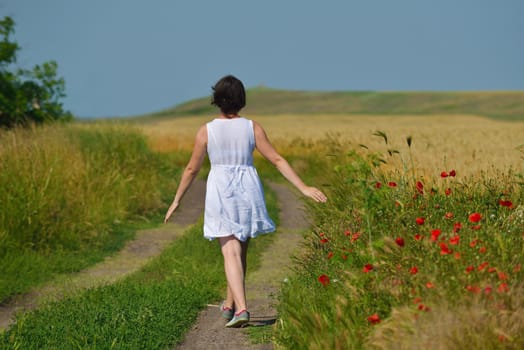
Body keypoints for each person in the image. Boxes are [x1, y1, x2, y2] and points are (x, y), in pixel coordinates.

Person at [164, 75, 327, 328]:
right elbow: (277, 160)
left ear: (216, 100)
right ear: (241, 100)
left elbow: (191, 170)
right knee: (240, 249)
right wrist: (303, 187)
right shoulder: (253, 127)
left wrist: (177, 200)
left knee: (229, 250)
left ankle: (241, 309)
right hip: (248, 188)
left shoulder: (206, 130)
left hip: (221, 189)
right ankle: (229, 305)